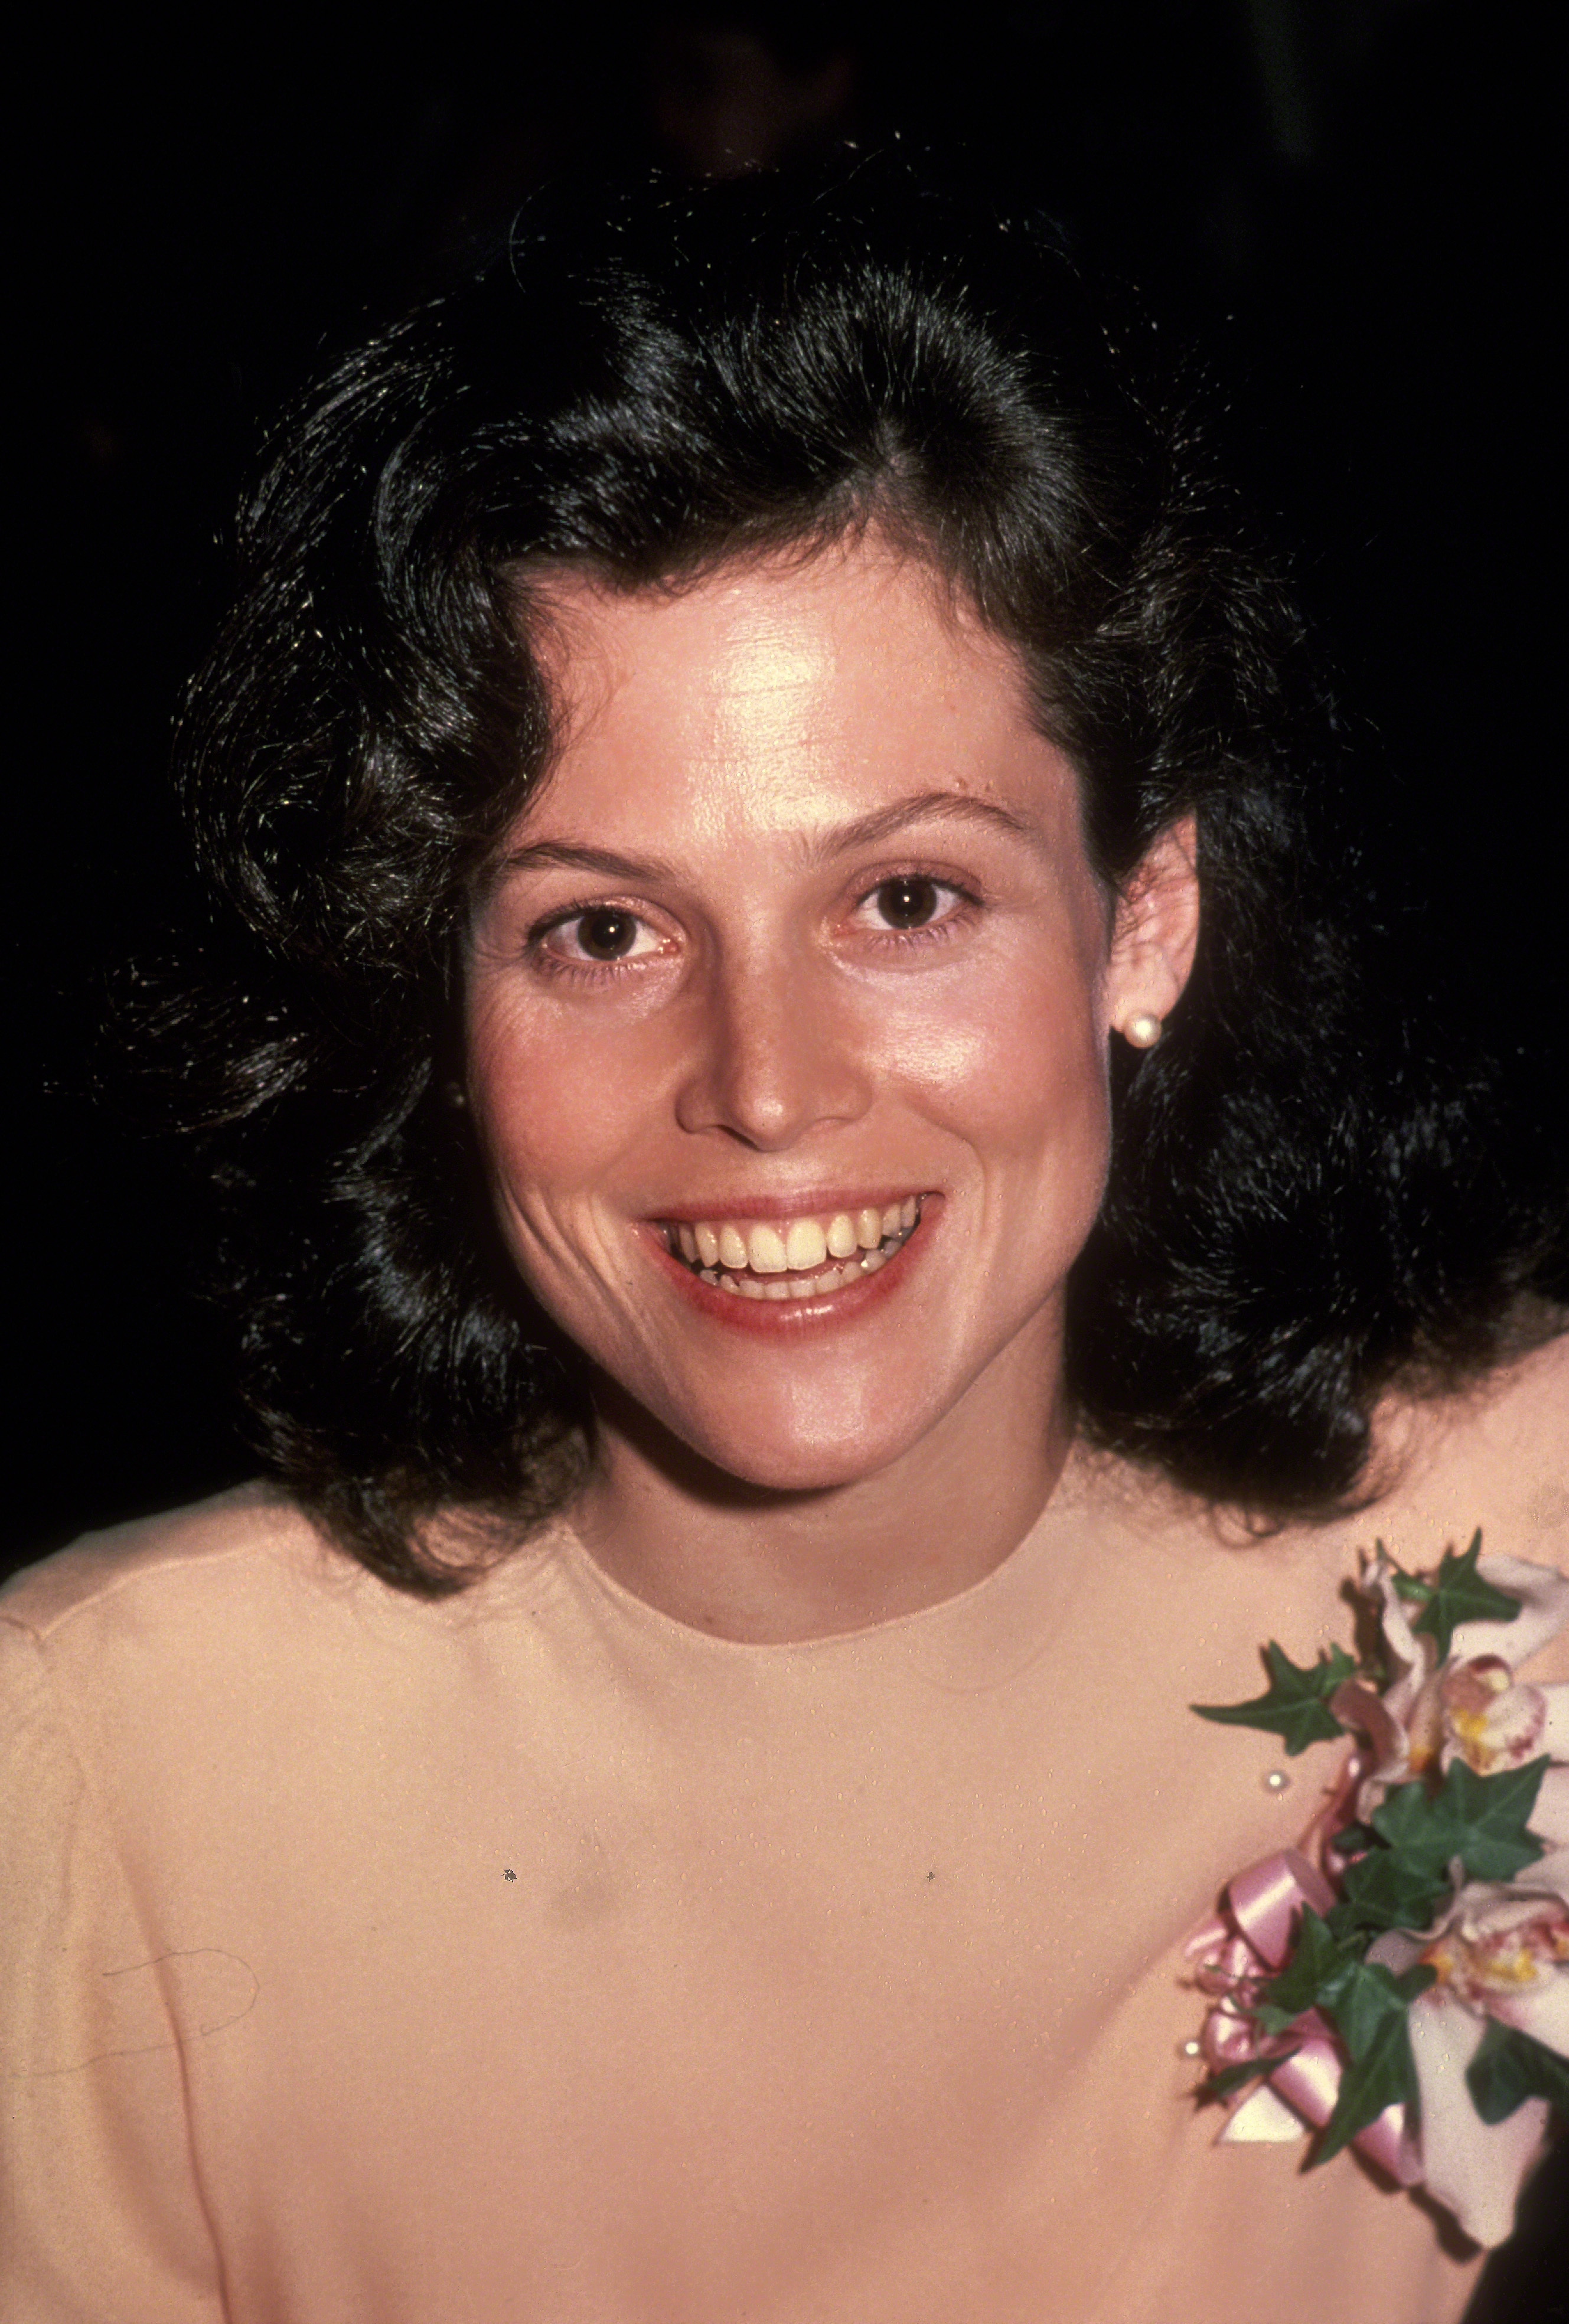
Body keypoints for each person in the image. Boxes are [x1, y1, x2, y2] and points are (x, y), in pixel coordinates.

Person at [2, 161, 1564, 2324]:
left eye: (905, 900)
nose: (763, 1082)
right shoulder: (107, 1777)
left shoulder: (1506, 1568)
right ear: (442, 1007)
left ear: (1147, 922)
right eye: (601, 928)